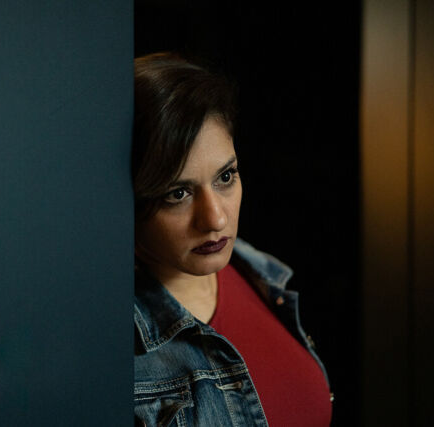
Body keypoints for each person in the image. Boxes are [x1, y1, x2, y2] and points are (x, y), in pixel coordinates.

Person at [133, 52, 332, 426]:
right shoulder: (114, 346)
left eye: (225, 177)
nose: (216, 219)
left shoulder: (260, 271)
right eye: (178, 193)